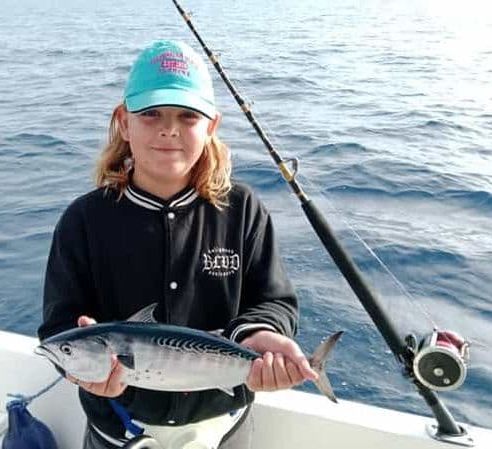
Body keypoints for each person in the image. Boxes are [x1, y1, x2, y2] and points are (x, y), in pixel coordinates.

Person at [38, 40, 318, 449]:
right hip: (118, 430)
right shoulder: (84, 220)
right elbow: (59, 327)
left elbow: (274, 300)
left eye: (187, 116)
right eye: (151, 114)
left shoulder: (242, 209)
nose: (169, 128)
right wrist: (83, 370)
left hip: (224, 427)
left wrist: (260, 334)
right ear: (123, 122)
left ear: (211, 126)